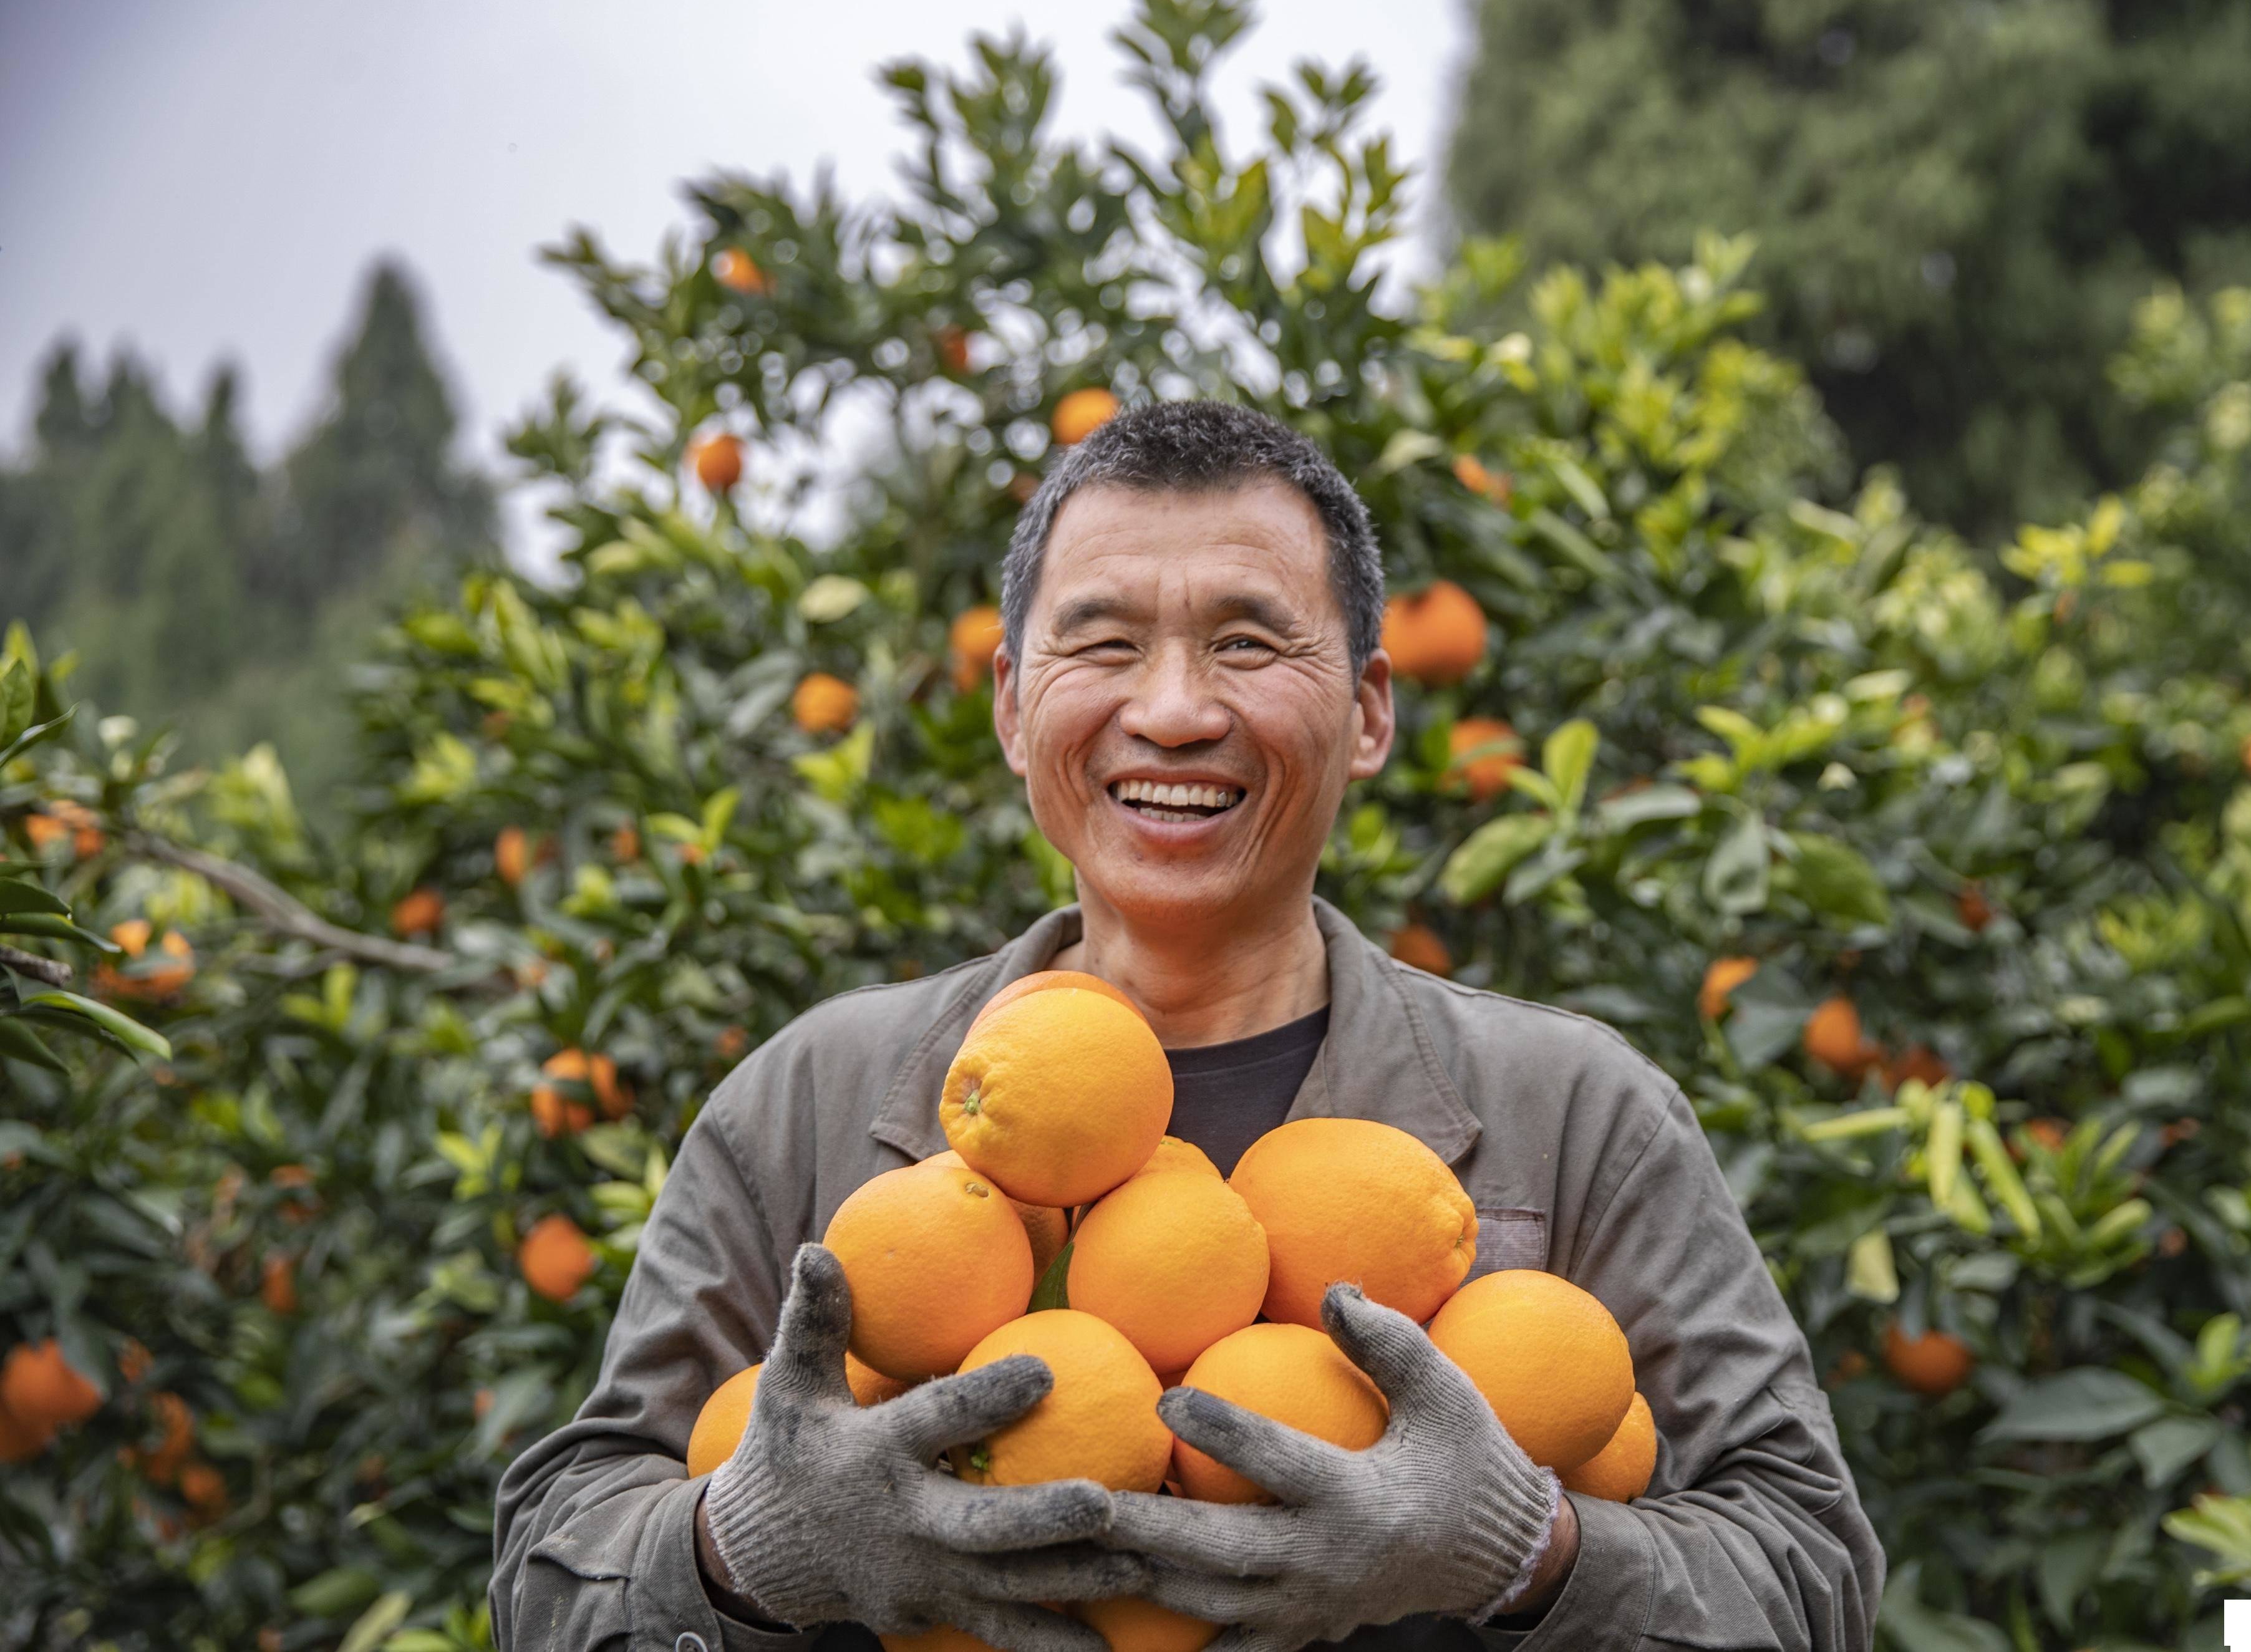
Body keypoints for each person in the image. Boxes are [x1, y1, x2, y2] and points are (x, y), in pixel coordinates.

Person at [491, 400, 1886, 1651]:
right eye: (1101, 642)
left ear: (1366, 713)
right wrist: (744, 1552)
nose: (1169, 710)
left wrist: (1529, 1553)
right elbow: (550, 1569)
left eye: (1245, 641)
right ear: (1011, 704)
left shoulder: (1572, 1114)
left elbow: (1809, 1570)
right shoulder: (804, 1101)